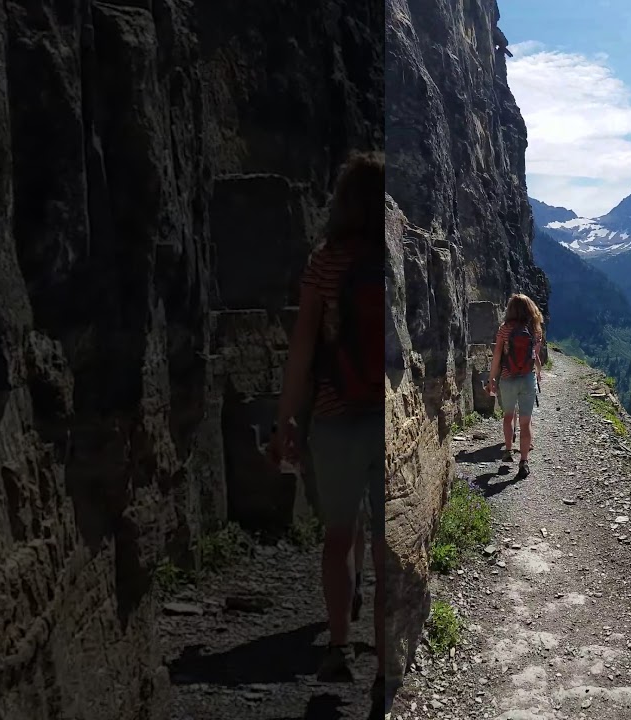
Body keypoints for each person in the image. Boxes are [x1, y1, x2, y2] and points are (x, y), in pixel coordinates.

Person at [270, 150, 384, 684]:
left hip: (336, 415)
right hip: (388, 417)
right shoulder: (391, 258)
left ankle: (338, 645)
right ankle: (389, 645)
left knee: (339, 531)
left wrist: (287, 419)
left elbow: (302, 349)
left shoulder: (325, 262)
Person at [486, 293, 544, 479]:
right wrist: (539, 371)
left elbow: (496, 356)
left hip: (507, 378)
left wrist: (492, 379)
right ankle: (524, 461)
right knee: (525, 422)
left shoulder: (504, 329)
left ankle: (508, 451)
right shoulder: (536, 330)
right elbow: (534, 356)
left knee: (508, 416)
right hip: (527, 378)